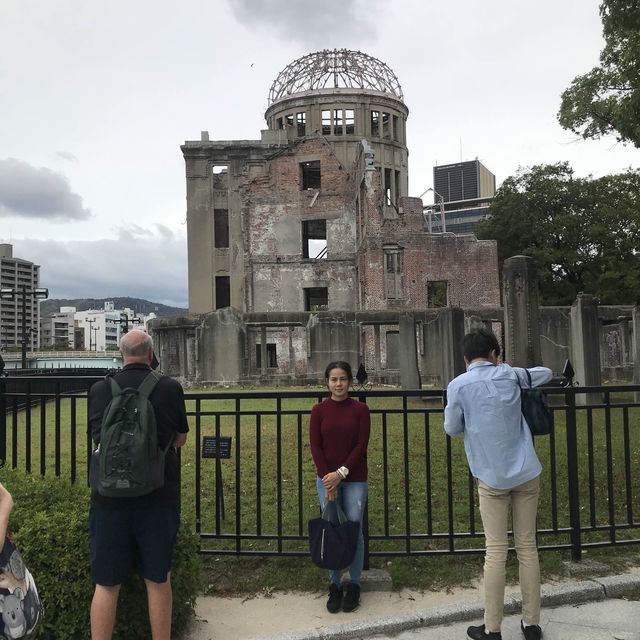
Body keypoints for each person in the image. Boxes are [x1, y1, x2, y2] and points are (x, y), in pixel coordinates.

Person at [444, 328, 552, 640]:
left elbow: (451, 428)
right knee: (527, 547)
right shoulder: (511, 375)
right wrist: (509, 368)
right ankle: (531, 624)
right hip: (526, 471)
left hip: (490, 475)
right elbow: (544, 373)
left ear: (466, 358)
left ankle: (492, 628)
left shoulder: (458, 385)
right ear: (495, 353)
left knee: (496, 551)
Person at [88, 330, 189, 640]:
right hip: (158, 497)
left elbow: (97, 438)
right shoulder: (170, 388)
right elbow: (181, 438)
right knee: (158, 579)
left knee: (106, 584)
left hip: (108, 498)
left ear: (121, 354)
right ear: (151, 353)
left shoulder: (100, 389)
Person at [309, 361, 371, 614]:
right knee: (332, 529)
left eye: (343, 379)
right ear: (327, 382)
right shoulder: (319, 410)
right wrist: (328, 479)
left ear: (349, 382)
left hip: (353, 477)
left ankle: (354, 583)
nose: (338, 384)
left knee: (353, 529)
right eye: (334, 379)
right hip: (326, 480)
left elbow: (361, 445)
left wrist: (340, 474)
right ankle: (334, 584)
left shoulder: (360, 410)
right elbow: (315, 446)